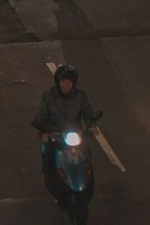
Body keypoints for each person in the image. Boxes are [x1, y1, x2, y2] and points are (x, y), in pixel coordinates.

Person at [31, 64, 98, 202]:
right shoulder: (48, 96)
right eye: (64, 82)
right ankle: (50, 179)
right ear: (58, 82)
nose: (66, 85)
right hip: (54, 133)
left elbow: (87, 112)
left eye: (69, 82)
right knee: (49, 154)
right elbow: (40, 116)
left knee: (87, 153)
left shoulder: (80, 96)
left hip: (74, 133)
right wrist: (44, 131)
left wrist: (91, 124)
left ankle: (87, 182)